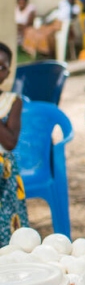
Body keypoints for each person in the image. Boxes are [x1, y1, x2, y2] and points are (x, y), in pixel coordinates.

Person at [0, 42, 28, 246]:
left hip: (4, 173)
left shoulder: (12, 101)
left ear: (8, 71)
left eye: (2, 67)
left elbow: (10, 142)